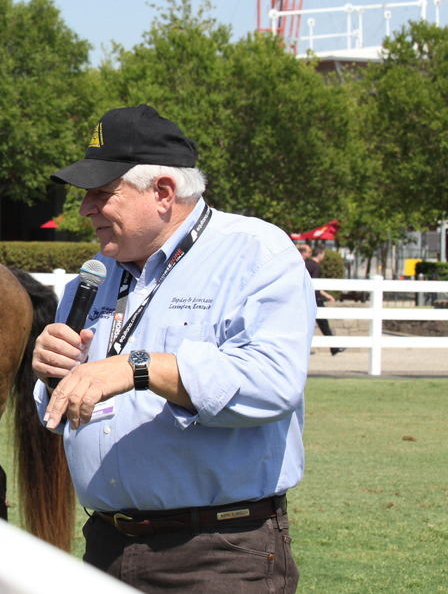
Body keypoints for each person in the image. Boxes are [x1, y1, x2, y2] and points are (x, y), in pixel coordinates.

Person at [33, 105, 315, 593]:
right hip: (105, 545)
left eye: (102, 193)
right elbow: (64, 409)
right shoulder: (93, 277)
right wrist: (53, 377)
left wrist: (140, 368)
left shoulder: (256, 253)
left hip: (219, 554)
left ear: (163, 192)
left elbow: (273, 385)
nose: (84, 209)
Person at [304, 245, 344, 355]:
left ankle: (334, 347)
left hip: (308, 298)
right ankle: (334, 347)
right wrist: (325, 295)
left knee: (317, 324)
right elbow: (315, 284)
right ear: (320, 254)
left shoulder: (307, 265)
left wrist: (326, 295)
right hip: (315, 299)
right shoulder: (316, 267)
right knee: (324, 323)